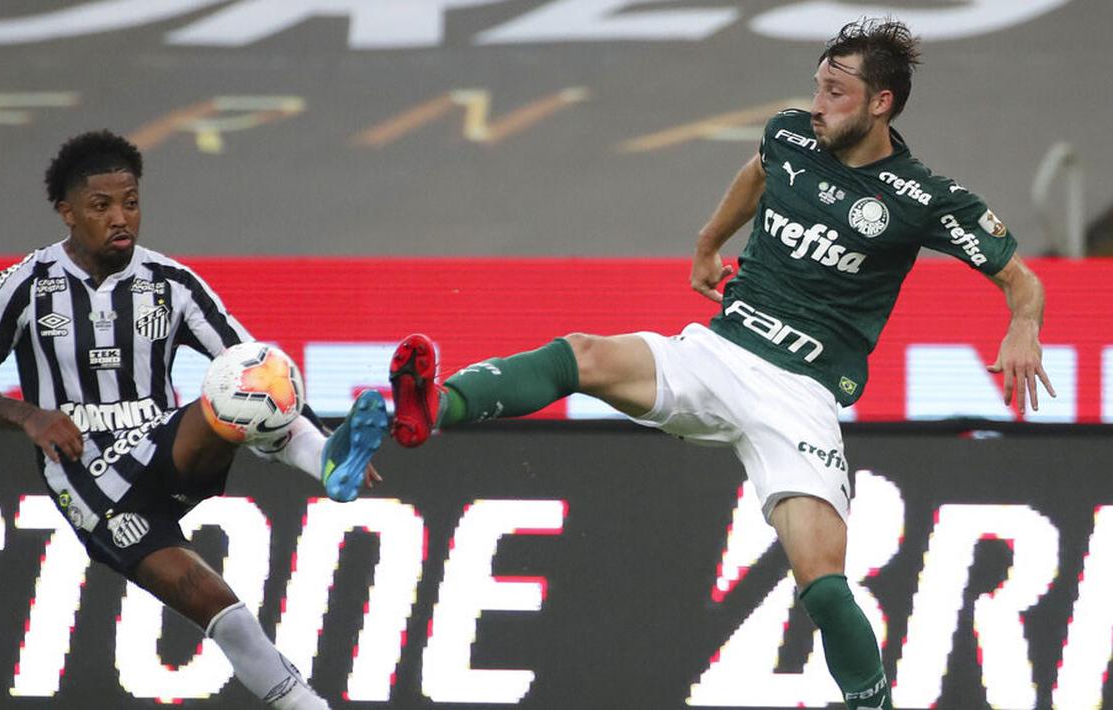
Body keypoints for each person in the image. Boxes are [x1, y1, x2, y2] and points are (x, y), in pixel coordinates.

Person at [387, 19, 1054, 710]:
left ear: (880, 103)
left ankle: (872, 703)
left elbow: (1020, 280)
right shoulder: (792, 133)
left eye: (835, 91)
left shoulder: (922, 198)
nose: (817, 102)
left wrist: (1022, 326)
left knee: (823, 584)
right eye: (817, 86)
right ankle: (433, 406)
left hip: (799, 394)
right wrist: (709, 242)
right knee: (581, 354)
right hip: (716, 354)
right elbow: (760, 170)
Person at [0, 130, 386, 710]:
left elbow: (257, 367)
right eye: (101, 207)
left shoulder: (171, 283)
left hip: (158, 444)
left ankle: (327, 464)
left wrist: (319, 434)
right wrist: (29, 416)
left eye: (131, 202)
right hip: (88, 476)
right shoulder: (25, 286)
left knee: (250, 377)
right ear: (68, 212)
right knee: (216, 604)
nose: (121, 218)